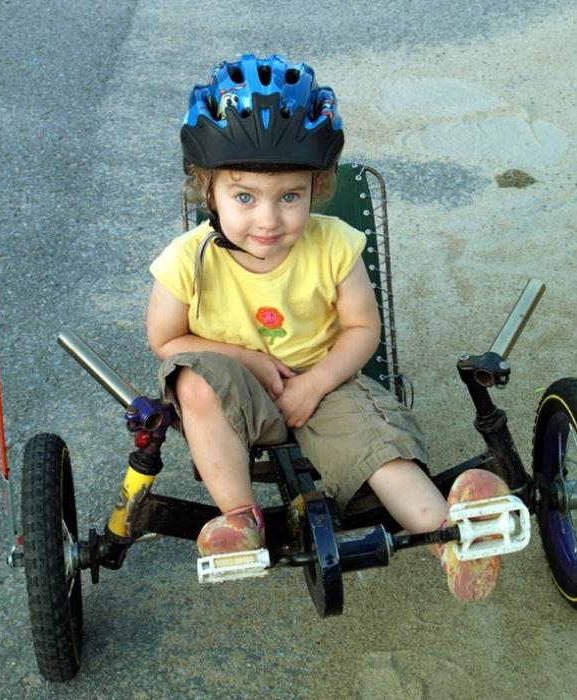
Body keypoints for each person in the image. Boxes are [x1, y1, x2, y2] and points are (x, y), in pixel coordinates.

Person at [146, 54, 505, 601]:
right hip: (236, 392)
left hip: (326, 380)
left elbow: (362, 327)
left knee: (380, 451)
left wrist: (314, 384)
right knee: (192, 379)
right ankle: (240, 520)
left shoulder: (333, 243)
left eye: (290, 196)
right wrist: (248, 360)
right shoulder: (186, 260)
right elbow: (167, 340)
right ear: (206, 188)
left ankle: (451, 533)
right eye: (244, 197)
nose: (268, 219)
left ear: (318, 185)